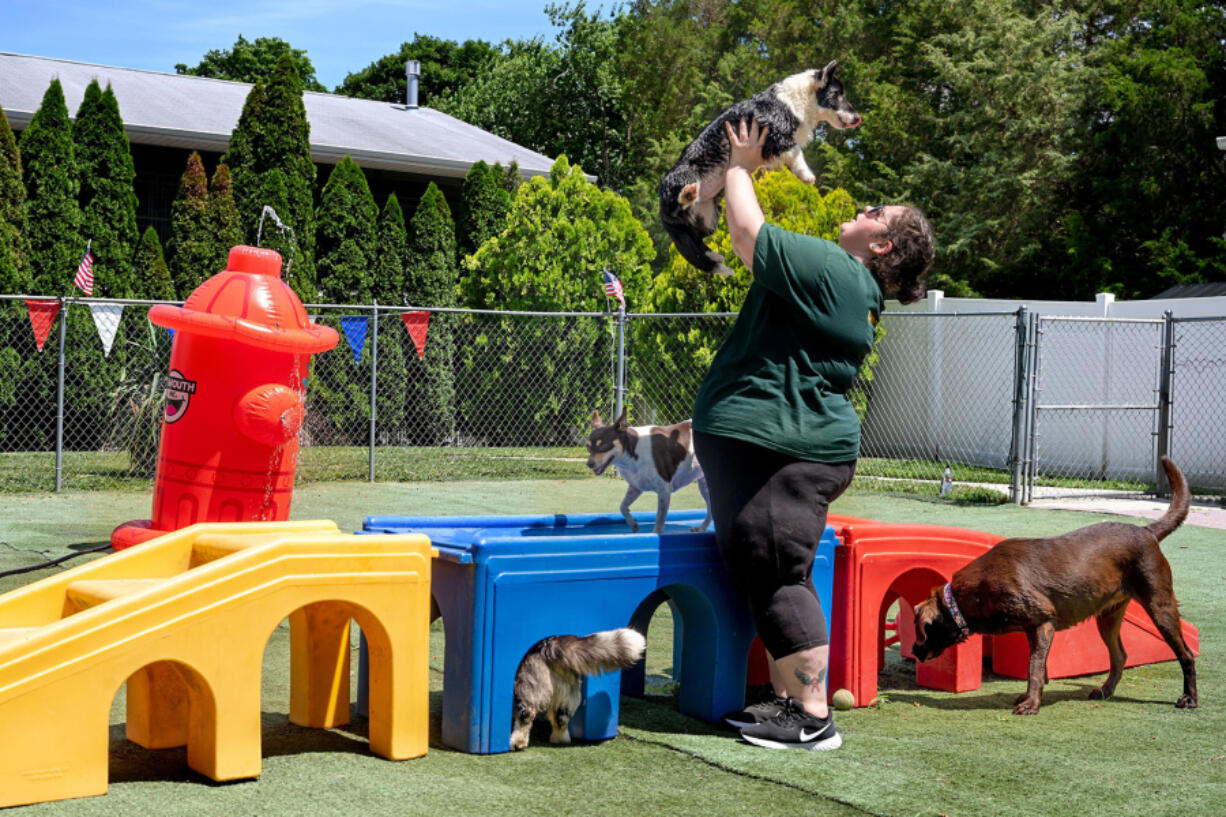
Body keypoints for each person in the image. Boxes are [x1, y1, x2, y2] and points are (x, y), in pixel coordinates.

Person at [692, 117, 934, 751]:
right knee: (762, 566)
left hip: (785, 450)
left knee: (778, 571)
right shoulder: (843, 282)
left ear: (881, 245)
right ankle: (784, 701)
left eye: (874, 211)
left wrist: (741, 162)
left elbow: (749, 235)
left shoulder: (838, 271)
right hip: (777, 446)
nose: (861, 207)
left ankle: (810, 714)